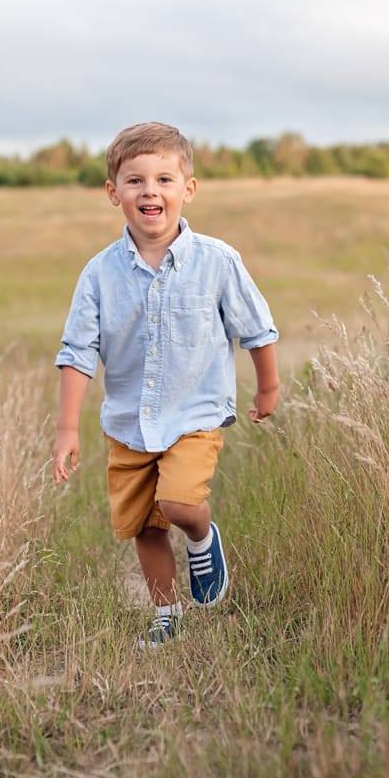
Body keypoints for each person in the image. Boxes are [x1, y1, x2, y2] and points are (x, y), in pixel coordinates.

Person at [51, 122, 280, 648]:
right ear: (114, 194)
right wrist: (67, 429)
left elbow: (257, 328)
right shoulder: (99, 274)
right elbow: (78, 353)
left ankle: (203, 539)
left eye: (163, 179)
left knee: (178, 504)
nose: (149, 191)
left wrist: (267, 387)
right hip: (128, 424)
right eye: (134, 181)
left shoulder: (218, 262)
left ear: (187, 189)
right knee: (145, 525)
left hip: (193, 416)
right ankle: (166, 613)